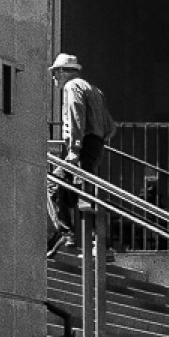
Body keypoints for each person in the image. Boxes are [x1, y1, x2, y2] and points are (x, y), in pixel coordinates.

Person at [47, 50, 112, 249]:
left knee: (53, 184)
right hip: (94, 145)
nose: (53, 78)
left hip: (81, 145)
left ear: (63, 72)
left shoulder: (72, 86)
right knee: (78, 190)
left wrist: (75, 147)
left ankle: (66, 233)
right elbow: (110, 125)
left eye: (55, 73)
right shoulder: (94, 90)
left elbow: (76, 115)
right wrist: (98, 138)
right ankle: (95, 241)